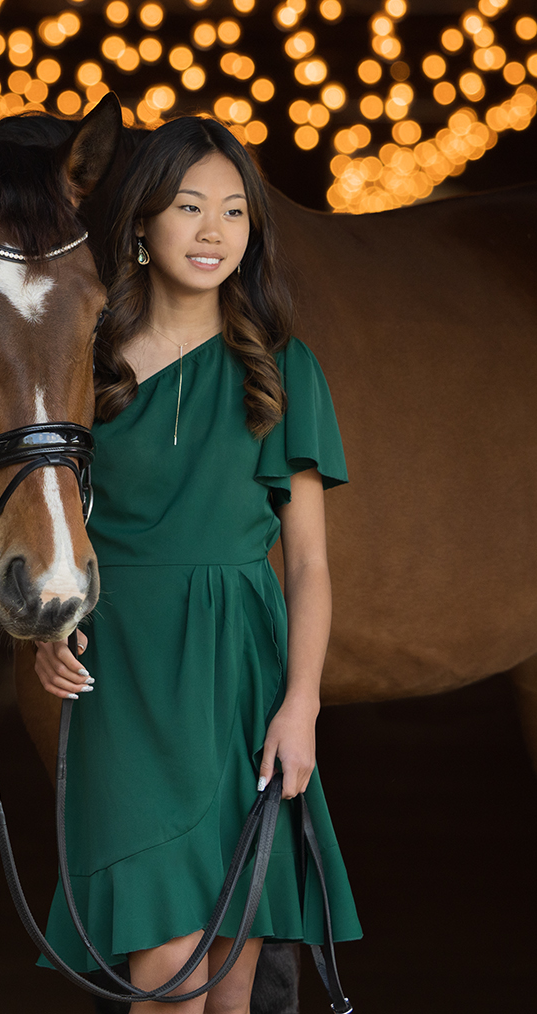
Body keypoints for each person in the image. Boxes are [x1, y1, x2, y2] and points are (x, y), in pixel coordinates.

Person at [31, 116, 362, 1013]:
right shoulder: (84, 369)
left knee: (231, 976)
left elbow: (310, 568)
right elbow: (51, 522)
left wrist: (302, 706)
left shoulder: (282, 372)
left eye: (234, 212)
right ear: (141, 223)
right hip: (127, 679)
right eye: (189, 207)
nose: (215, 232)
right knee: (168, 970)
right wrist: (50, 631)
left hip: (242, 682)